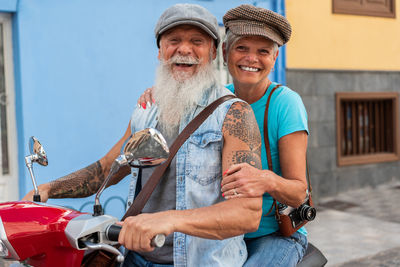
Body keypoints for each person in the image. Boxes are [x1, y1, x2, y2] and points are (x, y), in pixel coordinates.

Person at [23, 3, 263, 267]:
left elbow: (246, 214)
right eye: (174, 40)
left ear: (214, 52)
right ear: (160, 51)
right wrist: (47, 190)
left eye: (197, 41)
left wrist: (169, 219)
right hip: (135, 258)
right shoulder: (145, 111)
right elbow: (107, 169)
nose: (184, 49)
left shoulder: (234, 114)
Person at [137, 4, 309, 267]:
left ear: (274, 59)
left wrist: (266, 179)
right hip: (222, 236)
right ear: (226, 53)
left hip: (271, 234)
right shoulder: (214, 101)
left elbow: (299, 193)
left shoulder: (286, 104)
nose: (251, 58)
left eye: (263, 51)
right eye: (242, 48)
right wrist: (160, 93)